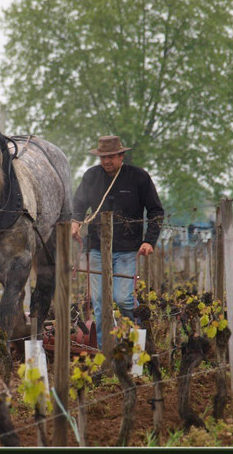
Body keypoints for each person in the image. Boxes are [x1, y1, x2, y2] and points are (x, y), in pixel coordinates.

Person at [71, 135, 164, 348]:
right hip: (96, 248)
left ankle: (139, 340)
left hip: (127, 249)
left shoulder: (139, 177)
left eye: (111, 156)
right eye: (103, 157)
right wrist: (75, 222)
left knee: (123, 299)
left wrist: (149, 241)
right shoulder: (91, 176)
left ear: (121, 156)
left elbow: (156, 211)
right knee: (100, 303)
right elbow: (78, 204)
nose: (107, 161)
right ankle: (106, 353)